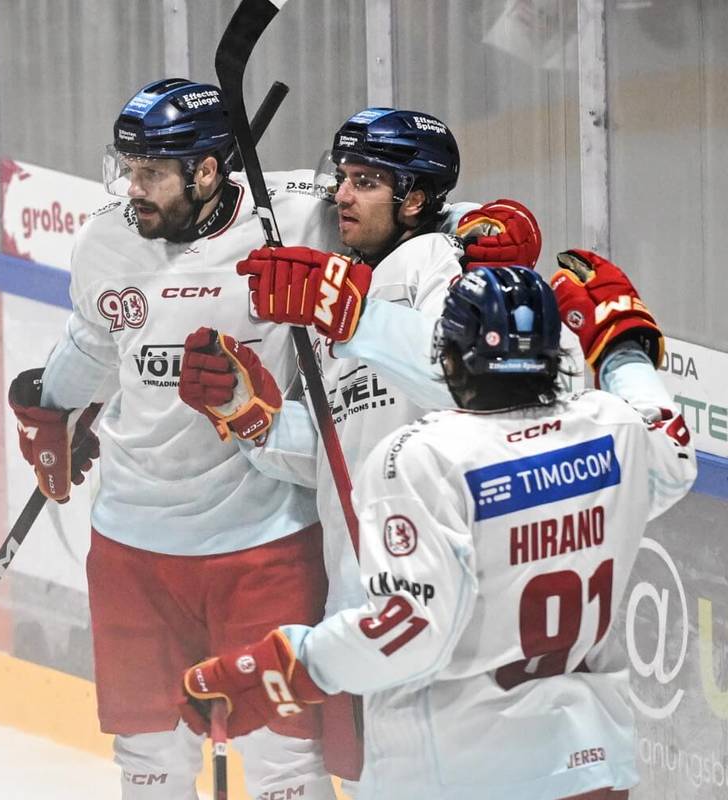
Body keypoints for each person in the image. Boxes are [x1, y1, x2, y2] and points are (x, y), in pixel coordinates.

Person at [181, 260, 695, 800]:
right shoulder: (613, 431)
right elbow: (672, 445)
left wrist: (279, 667)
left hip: (463, 776)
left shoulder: (425, 458)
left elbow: (412, 632)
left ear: (448, 358)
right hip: (590, 769)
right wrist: (622, 347)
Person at [10, 76, 359, 800]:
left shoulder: (296, 222)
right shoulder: (108, 240)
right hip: (133, 547)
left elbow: (399, 230)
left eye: (150, 174)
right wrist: (51, 409)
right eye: (126, 169)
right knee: (148, 763)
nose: (131, 189)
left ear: (207, 171)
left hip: (266, 542)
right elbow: (96, 342)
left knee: (284, 767)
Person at [178, 107, 545, 786]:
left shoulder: (442, 265)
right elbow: (336, 452)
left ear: (415, 200)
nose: (343, 194)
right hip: (363, 610)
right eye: (343, 176)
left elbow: (463, 383)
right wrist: (250, 413)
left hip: (451, 613)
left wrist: (353, 310)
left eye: (368, 181)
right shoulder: (338, 289)